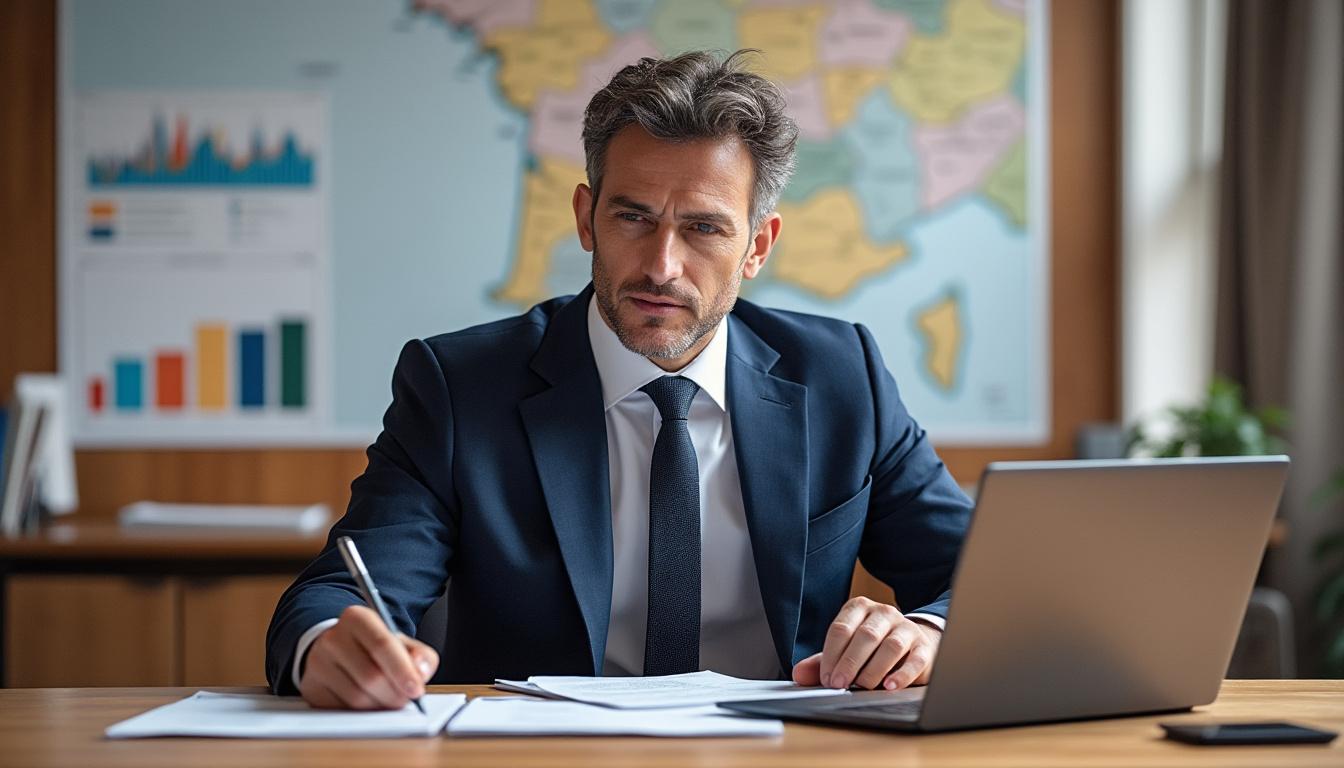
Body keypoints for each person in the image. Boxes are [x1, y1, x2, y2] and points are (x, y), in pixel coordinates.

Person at [266, 49, 972, 710]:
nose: (662, 265)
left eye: (703, 228)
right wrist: (328, 646)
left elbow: (980, 578)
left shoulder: (841, 377)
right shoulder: (458, 387)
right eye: (634, 217)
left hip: (782, 751)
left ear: (757, 247)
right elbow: (334, 593)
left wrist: (927, 633)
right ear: (585, 218)